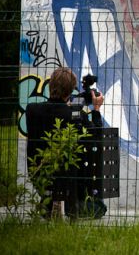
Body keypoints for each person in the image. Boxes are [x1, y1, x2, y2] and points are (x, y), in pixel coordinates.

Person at [25, 67, 106, 218]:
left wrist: (69, 107)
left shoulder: (32, 110)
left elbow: (53, 112)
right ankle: (69, 206)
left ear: (50, 86)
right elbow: (96, 137)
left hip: (40, 177)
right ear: (70, 90)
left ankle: (50, 204)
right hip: (70, 183)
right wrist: (95, 109)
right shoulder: (75, 115)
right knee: (100, 207)